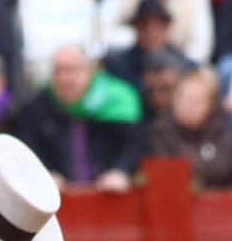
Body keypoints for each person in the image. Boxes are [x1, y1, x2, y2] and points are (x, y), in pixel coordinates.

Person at [13, 44, 144, 191]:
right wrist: (45, 173)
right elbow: (29, 147)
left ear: (89, 71)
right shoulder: (36, 108)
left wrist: (120, 170)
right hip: (59, 199)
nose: (64, 78)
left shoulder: (116, 101)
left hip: (109, 195)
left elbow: (132, 144)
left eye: (71, 70)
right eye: (58, 71)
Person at [147, 66, 232, 187]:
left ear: (210, 106)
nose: (187, 106)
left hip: (222, 202)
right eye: (182, 98)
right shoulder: (160, 133)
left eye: (195, 101)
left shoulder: (224, 133)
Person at [105, 0, 196, 115]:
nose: (151, 32)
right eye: (144, 26)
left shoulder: (183, 63)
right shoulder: (118, 63)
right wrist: (149, 83)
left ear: (167, 28)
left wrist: (176, 81)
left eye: (156, 26)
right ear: (136, 28)